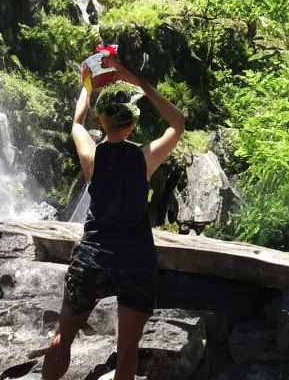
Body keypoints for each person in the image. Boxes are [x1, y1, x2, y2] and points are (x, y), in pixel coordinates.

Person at [42, 54, 185, 380]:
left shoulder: (92, 156)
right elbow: (178, 123)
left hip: (94, 255)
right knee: (127, 351)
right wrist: (136, 80)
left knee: (63, 340)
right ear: (133, 124)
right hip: (136, 258)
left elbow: (77, 124)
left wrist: (87, 82)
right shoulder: (144, 159)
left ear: (102, 122)